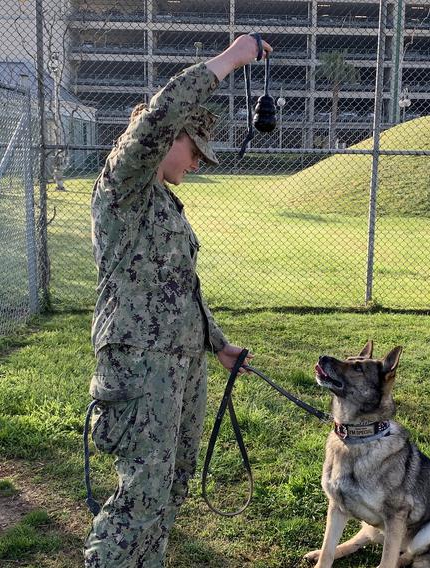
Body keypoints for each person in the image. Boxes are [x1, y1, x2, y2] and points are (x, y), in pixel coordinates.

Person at [84, 35, 272, 567]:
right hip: (142, 365)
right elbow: (162, 113)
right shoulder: (125, 184)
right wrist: (233, 59)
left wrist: (218, 344)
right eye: (193, 151)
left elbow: (179, 286)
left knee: (172, 487)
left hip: (181, 365)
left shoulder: (165, 203)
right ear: (168, 138)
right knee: (140, 498)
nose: (196, 163)